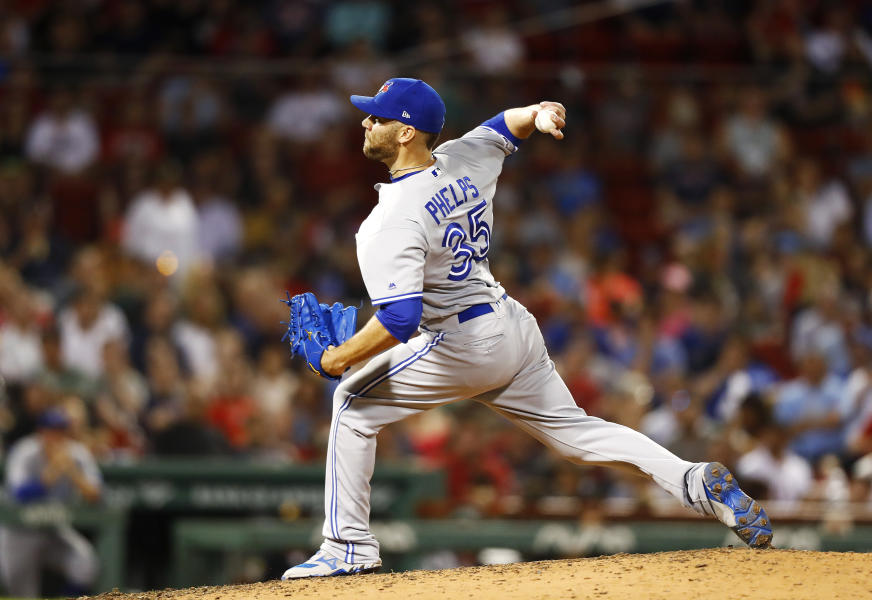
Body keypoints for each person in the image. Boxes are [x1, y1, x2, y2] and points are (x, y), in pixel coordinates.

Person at [281, 78, 772, 579]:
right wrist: (537, 113)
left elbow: (401, 319)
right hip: (510, 324)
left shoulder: (388, 221)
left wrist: (335, 359)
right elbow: (504, 125)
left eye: (378, 117)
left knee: (351, 403)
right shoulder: (461, 158)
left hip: (460, 342)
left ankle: (347, 546)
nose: (366, 122)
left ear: (407, 132)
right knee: (575, 434)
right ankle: (690, 480)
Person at [0, 409, 101, 597]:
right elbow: (19, 494)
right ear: (40, 432)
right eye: (51, 431)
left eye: (60, 431)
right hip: (18, 531)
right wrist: (51, 474)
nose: (56, 437)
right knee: (22, 594)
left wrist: (72, 472)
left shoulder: (76, 453)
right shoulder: (25, 451)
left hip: (52, 528)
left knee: (85, 563)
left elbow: (96, 494)